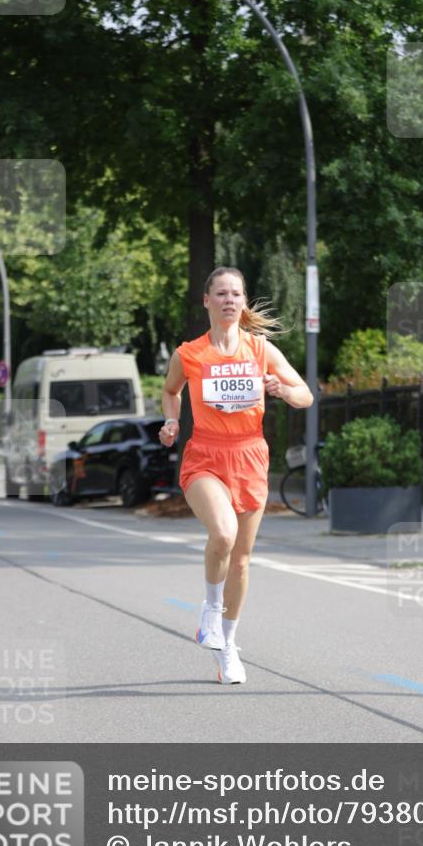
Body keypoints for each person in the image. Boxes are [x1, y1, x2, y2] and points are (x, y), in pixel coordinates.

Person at [159, 266, 313, 685]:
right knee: (223, 534)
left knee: (241, 561)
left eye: (236, 294)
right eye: (221, 293)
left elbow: (306, 395)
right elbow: (170, 392)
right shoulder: (188, 353)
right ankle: (210, 609)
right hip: (205, 455)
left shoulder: (260, 350)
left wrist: (282, 390)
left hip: (250, 456)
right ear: (206, 301)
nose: (229, 300)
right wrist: (172, 423)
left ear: (243, 303)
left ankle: (227, 648)